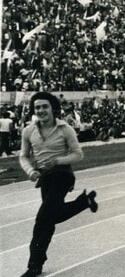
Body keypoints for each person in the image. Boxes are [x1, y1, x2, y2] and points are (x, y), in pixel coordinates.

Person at [18, 92, 99, 277]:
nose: (41, 110)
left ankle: (34, 265)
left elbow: (78, 154)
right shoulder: (28, 131)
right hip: (44, 178)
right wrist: (30, 171)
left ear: (53, 108)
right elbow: (23, 155)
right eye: (37, 107)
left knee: (42, 220)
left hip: (63, 176)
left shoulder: (65, 129)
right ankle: (83, 202)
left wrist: (57, 161)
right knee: (51, 217)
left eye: (44, 106)